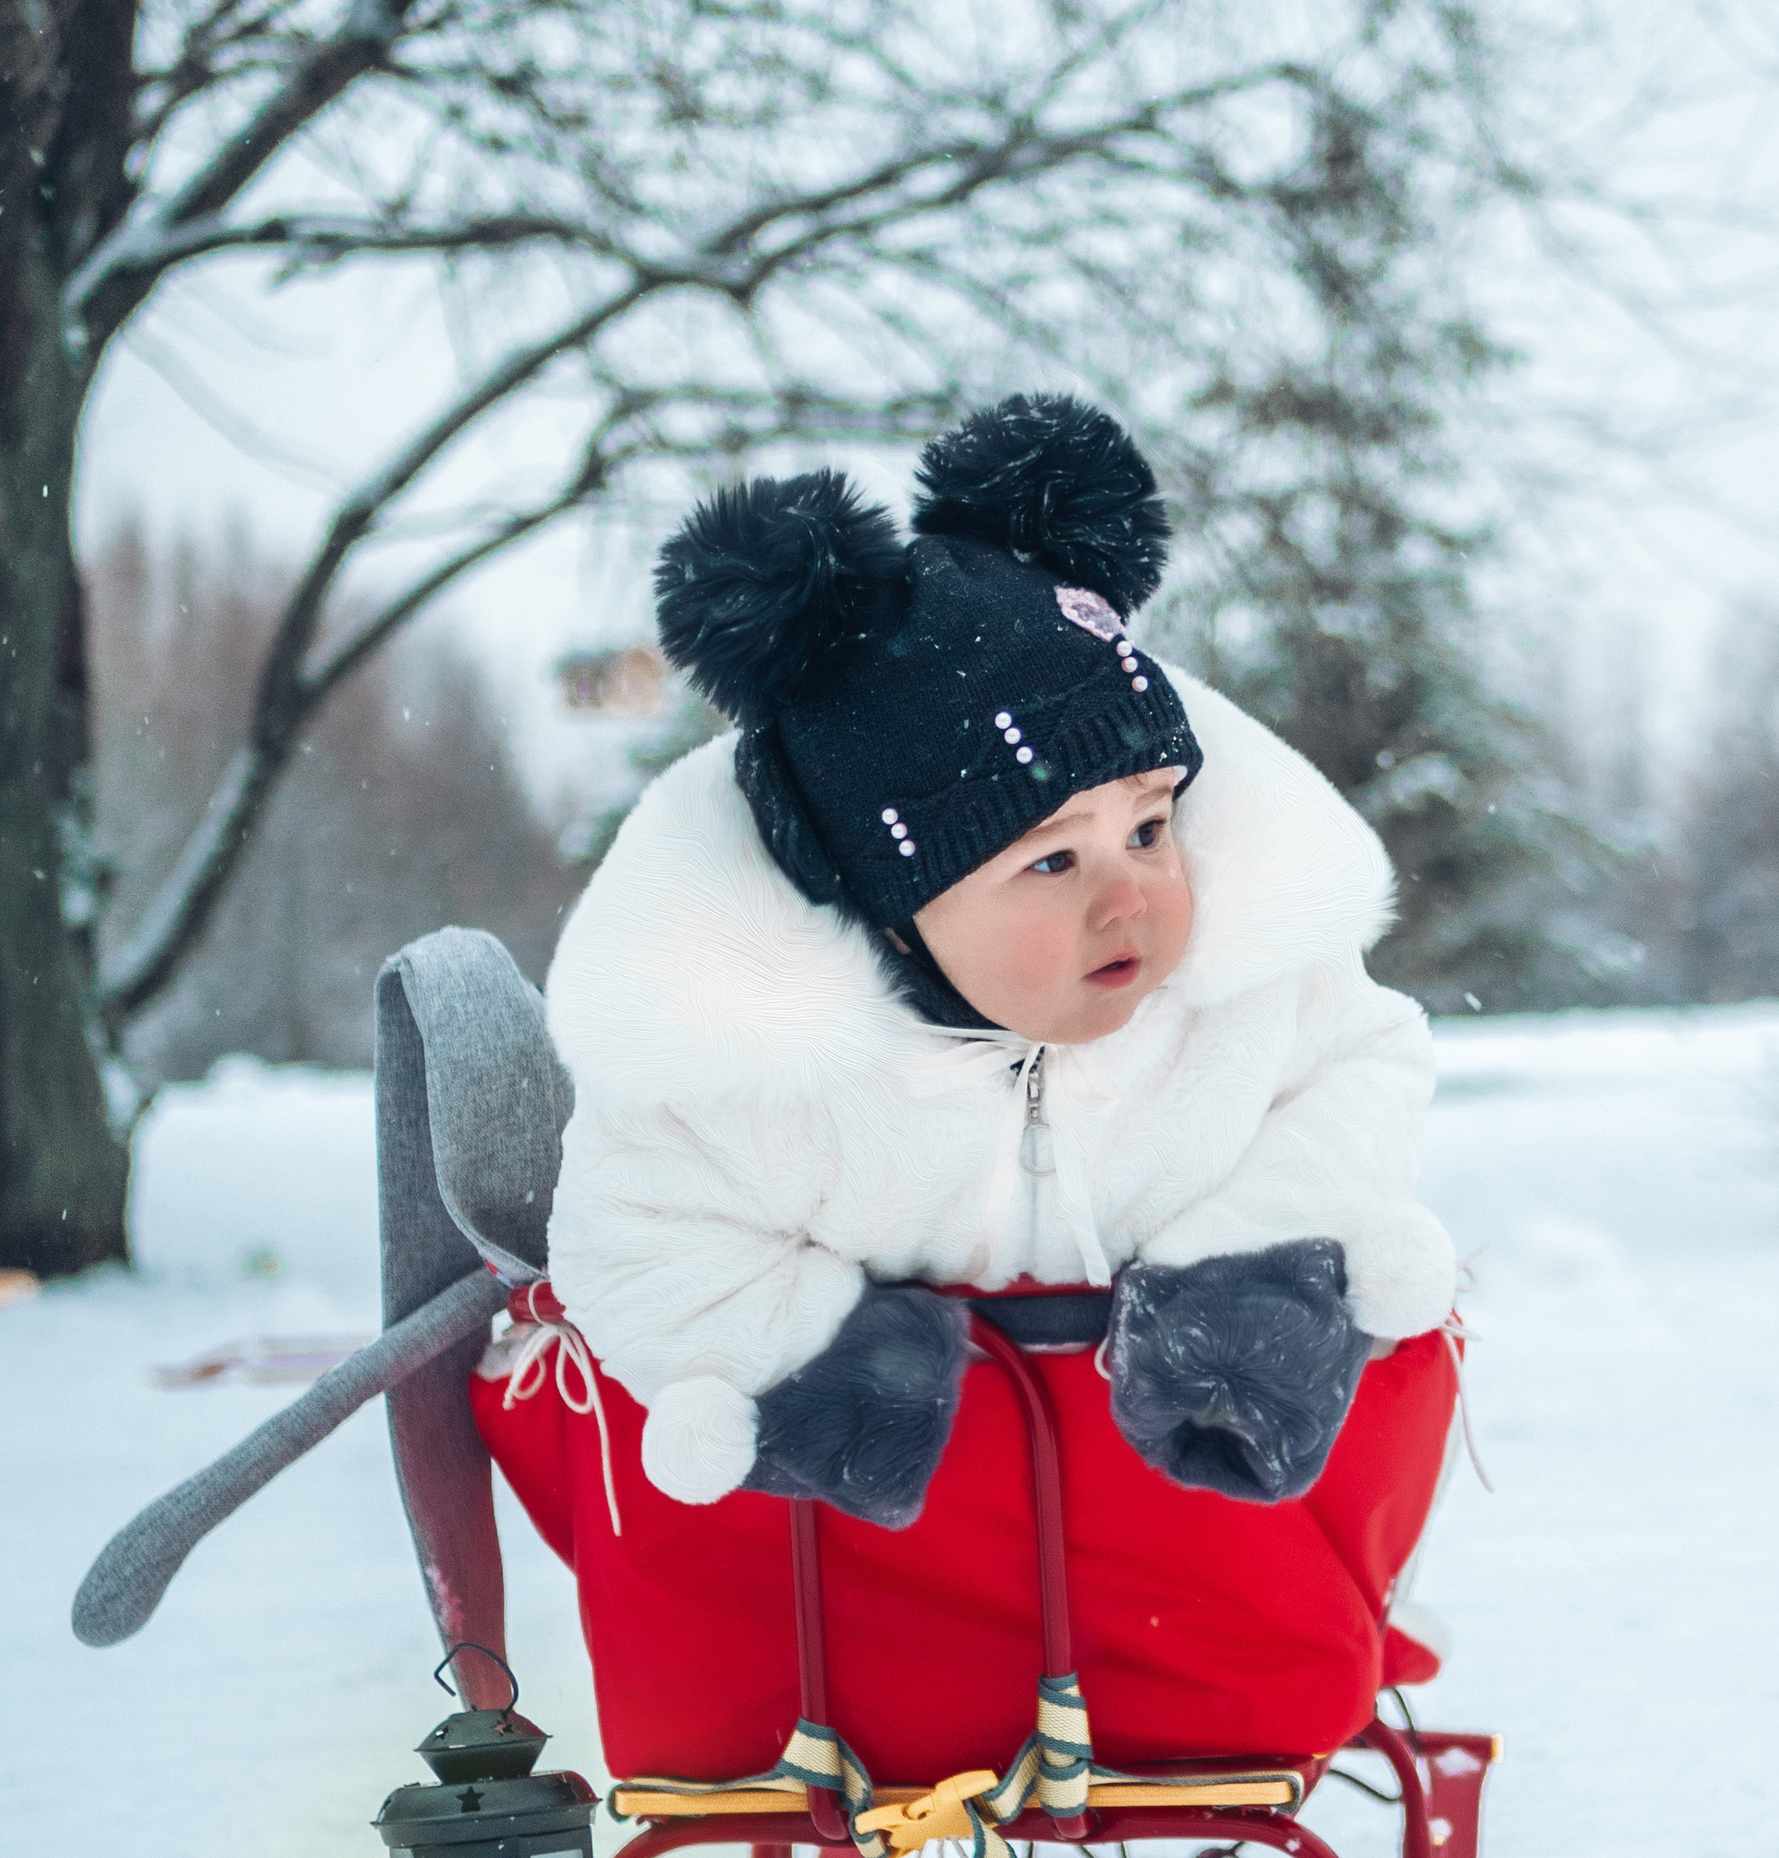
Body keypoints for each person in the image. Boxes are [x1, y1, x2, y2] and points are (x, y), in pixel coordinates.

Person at [541, 393, 1459, 1532]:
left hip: (1186, 1569)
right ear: (891, 919)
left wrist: (1250, 1261)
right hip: (879, 1601)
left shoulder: (1249, 999)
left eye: (1147, 827)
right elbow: (634, 1223)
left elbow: (1365, 1069)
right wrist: (809, 1351)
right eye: (1048, 863)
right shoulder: (757, 1091)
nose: (1131, 896)